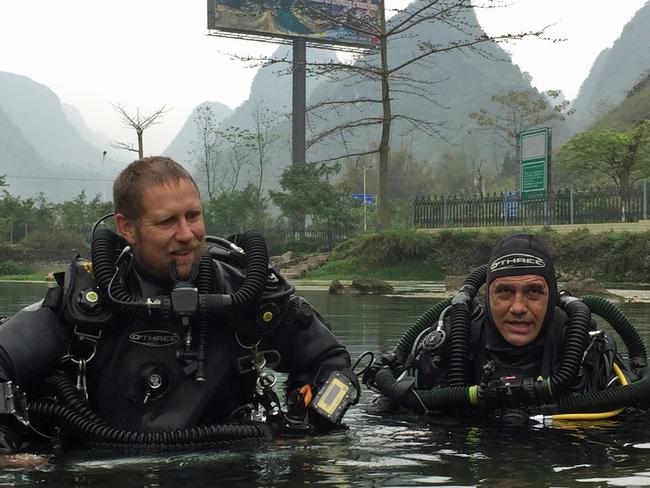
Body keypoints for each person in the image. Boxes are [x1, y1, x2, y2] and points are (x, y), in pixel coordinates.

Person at [0, 156, 359, 453]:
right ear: (127, 227)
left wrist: (308, 424)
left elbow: (332, 366)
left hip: (229, 470)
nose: (186, 234)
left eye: (193, 216)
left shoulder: (247, 292)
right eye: (167, 221)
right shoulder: (86, 303)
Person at [365, 233, 642, 421]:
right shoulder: (452, 345)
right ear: (487, 296)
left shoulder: (584, 352)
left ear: (552, 297)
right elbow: (388, 409)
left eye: (533, 292)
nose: (518, 307)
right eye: (505, 292)